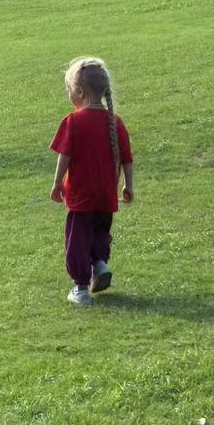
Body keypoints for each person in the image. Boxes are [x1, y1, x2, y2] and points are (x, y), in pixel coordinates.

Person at [49, 57, 135, 306]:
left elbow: (65, 157)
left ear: (79, 92)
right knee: (99, 232)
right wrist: (128, 185)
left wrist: (56, 184)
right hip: (106, 194)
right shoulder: (115, 122)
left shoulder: (73, 122)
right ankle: (99, 264)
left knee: (76, 239)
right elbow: (127, 160)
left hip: (81, 195)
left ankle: (80, 288)